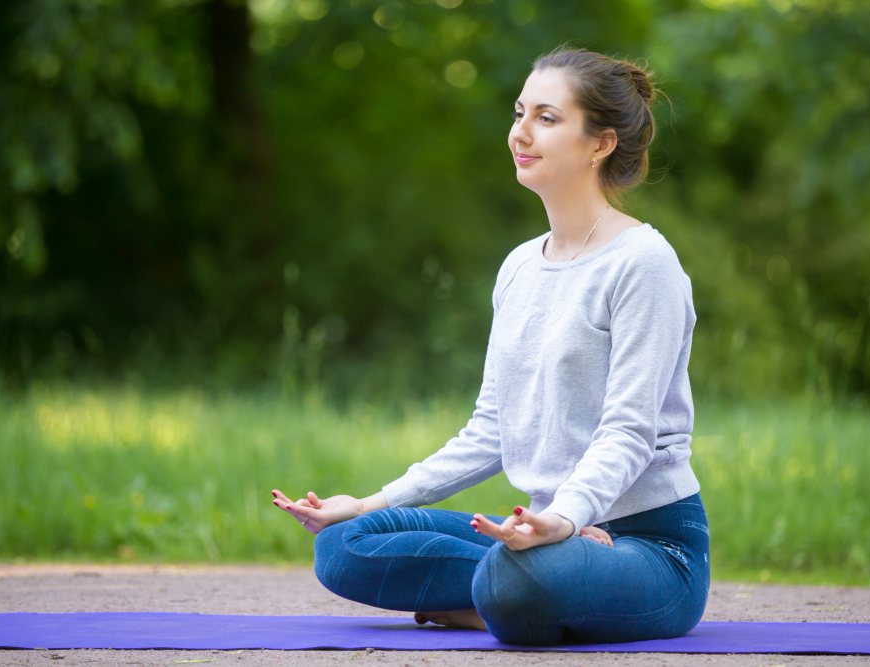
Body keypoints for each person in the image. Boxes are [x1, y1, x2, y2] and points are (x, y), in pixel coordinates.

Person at [271, 44, 709, 646]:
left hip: (650, 547)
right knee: (346, 544)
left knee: (516, 575)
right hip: (545, 534)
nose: (520, 133)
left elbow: (629, 431)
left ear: (601, 143)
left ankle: (512, 595)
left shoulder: (643, 263)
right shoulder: (520, 267)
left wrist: (565, 515)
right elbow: (490, 428)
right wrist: (373, 500)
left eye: (547, 119)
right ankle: (511, 598)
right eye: (519, 112)